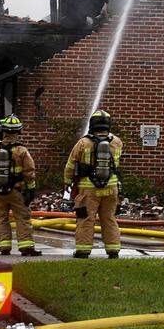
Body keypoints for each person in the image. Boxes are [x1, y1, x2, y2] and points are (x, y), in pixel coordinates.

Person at [64, 109, 123, 259]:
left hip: (88, 189)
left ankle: (83, 250)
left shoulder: (84, 142)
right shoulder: (117, 142)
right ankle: (113, 250)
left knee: (86, 219)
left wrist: (68, 182)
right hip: (111, 188)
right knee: (109, 218)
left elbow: (71, 164)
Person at [0, 115, 41, 256]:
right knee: (22, 217)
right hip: (17, 191)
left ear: (3, 131)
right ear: (18, 132)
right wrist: (31, 189)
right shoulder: (21, 151)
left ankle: (4, 247)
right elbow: (29, 172)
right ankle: (26, 247)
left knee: (1, 218)